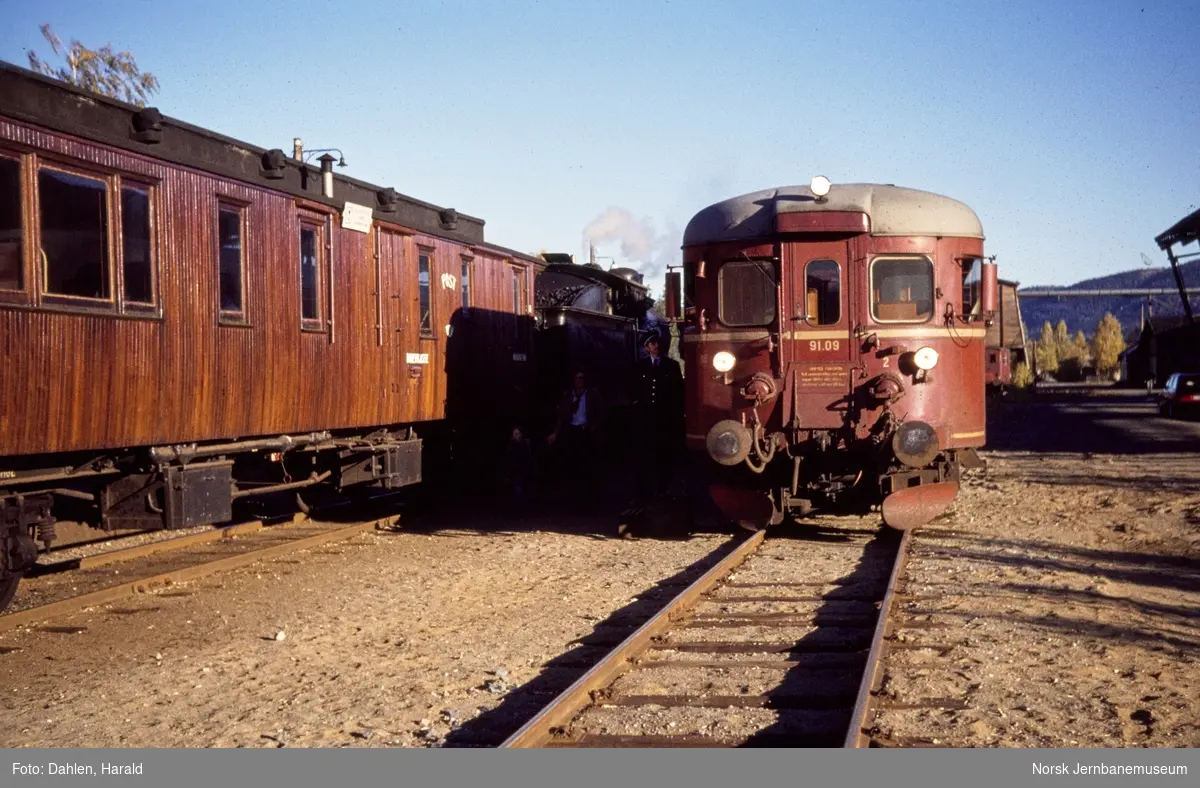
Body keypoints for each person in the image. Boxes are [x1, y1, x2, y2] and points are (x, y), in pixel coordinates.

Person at [632, 330, 684, 500]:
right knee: (644, 454)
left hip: (665, 418)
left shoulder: (672, 366)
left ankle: (663, 488)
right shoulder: (640, 367)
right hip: (645, 418)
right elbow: (634, 390)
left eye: (657, 343)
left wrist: (676, 416)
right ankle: (644, 490)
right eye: (652, 344)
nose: (656, 346)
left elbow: (678, 392)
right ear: (647, 347)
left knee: (664, 454)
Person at [546, 370, 605, 499]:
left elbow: (600, 413)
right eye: (576, 378)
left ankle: (588, 496)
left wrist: (593, 427)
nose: (578, 381)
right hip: (572, 432)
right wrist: (556, 433)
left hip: (585, 431)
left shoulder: (591, 395)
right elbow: (561, 416)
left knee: (587, 465)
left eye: (581, 378)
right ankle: (574, 496)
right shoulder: (568, 396)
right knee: (572, 465)